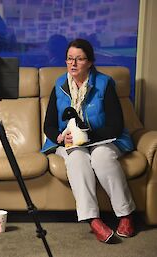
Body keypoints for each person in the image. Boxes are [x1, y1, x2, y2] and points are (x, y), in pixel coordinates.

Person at [42, 38, 136, 243]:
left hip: (103, 139)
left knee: (102, 157)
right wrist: (60, 136)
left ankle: (125, 214)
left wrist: (86, 137)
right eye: (69, 59)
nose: (73, 64)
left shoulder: (104, 84)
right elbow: (48, 125)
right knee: (76, 158)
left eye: (79, 59)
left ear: (90, 62)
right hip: (70, 143)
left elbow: (116, 125)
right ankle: (93, 220)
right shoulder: (59, 85)